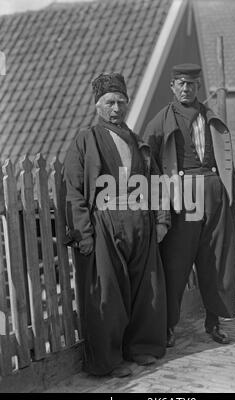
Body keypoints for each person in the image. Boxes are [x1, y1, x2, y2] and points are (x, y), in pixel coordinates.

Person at [63, 72, 170, 378]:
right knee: (108, 293)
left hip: (140, 221)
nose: (116, 108)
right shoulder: (86, 140)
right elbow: (74, 191)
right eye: (109, 102)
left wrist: (161, 219)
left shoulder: (138, 142)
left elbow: (156, 183)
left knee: (145, 288)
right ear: (97, 105)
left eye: (121, 102)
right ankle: (109, 360)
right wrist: (83, 234)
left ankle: (141, 347)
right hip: (105, 224)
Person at [143, 63, 235, 346]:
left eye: (191, 84)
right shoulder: (161, 121)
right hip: (182, 198)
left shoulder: (211, 118)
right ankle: (168, 327)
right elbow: (146, 162)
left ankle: (214, 322)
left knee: (217, 260)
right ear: (172, 87)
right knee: (176, 263)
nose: (186, 89)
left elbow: (228, 163)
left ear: (198, 87)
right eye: (181, 84)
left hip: (215, 195)